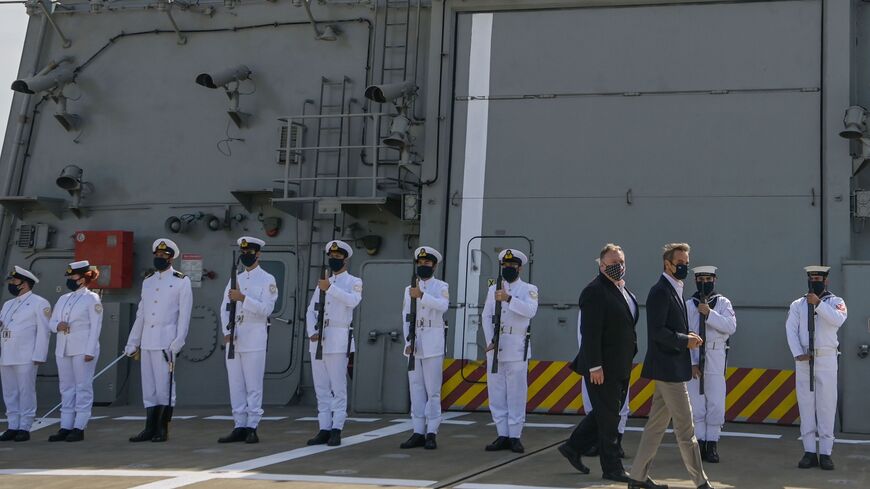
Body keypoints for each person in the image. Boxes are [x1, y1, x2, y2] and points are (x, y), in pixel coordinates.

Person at [629, 243, 713, 489]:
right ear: (667, 264)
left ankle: (636, 478)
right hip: (668, 370)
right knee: (686, 429)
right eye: (681, 262)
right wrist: (685, 340)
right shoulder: (660, 291)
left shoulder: (675, 288)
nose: (685, 266)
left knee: (655, 427)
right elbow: (657, 333)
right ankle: (701, 482)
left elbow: (669, 326)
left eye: (686, 262)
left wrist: (686, 334)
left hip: (672, 367)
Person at [560, 244, 638, 482]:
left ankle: (573, 447)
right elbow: (590, 332)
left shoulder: (622, 290)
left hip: (620, 366)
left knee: (606, 413)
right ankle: (612, 467)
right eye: (613, 263)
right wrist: (594, 366)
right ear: (602, 265)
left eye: (621, 262)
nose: (619, 267)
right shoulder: (594, 291)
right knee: (609, 420)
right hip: (602, 368)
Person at [124, 238, 193, 443]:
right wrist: (132, 342)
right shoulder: (148, 281)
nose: (159, 258)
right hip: (147, 341)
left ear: (171, 258)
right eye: (157, 255)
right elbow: (141, 315)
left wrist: (179, 340)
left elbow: (184, 314)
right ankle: (149, 428)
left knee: (165, 386)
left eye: (163, 256)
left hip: (166, 341)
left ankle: (162, 428)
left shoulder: (181, 281)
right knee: (149, 387)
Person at [217, 237, 278, 444]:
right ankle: (239, 425)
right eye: (243, 252)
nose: (245, 255)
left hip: (254, 335)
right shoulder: (236, 278)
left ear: (257, 254)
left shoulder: (267, 279)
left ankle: (252, 425)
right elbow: (224, 307)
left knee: (253, 384)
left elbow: (267, 310)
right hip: (235, 336)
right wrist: (227, 330)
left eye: (249, 252)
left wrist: (244, 299)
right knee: (236, 384)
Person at [786, 266, 847, 471]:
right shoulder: (798, 304)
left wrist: (819, 304)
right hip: (804, 358)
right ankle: (809, 451)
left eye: (818, 277)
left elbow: (838, 320)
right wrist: (797, 353)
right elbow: (791, 329)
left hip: (827, 357)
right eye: (812, 277)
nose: (815, 280)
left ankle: (826, 453)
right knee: (806, 405)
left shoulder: (836, 302)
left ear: (826, 280)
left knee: (826, 406)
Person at [305, 240, 362, 447]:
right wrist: (312, 331)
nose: (334, 260)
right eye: (332, 257)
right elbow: (311, 310)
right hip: (319, 340)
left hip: (338, 338)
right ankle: (324, 428)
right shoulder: (323, 281)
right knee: (321, 388)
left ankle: (337, 428)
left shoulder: (353, 281)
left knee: (338, 387)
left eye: (338, 258)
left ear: (345, 260)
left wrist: (330, 288)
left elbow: (353, 301)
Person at [482, 249, 538, 453]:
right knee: (496, 393)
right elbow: (486, 316)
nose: (508, 269)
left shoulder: (528, 289)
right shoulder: (492, 289)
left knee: (516, 393)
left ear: (519, 268)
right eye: (505, 266)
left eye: (512, 266)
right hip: (496, 347)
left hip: (516, 347)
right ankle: (502, 434)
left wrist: (508, 299)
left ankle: (515, 436)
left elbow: (531, 311)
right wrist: (490, 340)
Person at [399, 246, 450, 450]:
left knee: (433, 391)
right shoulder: (408, 289)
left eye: (427, 263)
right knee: (416, 390)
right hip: (415, 342)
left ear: (434, 265)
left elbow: (443, 306)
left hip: (433, 343)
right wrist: (408, 342)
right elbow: (406, 317)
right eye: (420, 263)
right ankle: (417, 431)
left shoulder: (441, 286)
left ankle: (432, 432)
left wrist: (421, 295)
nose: (423, 266)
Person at [47, 261, 103, 442]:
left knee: (82, 387)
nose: (70, 280)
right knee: (66, 388)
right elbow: (51, 323)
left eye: (73, 277)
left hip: (82, 348)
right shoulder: (63, 299)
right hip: (63, 348)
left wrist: (90, 350)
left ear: (83, 278)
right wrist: (57, 325)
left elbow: (96, 326)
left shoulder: (91, 298)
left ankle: (79, 426)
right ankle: (65, 425)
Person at [686, 266, 736, 463]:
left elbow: (730, 327)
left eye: (708, 278)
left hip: (715, 353)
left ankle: (712, 443)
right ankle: (699, 443)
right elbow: (685, 332)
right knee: (697, 404)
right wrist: (691, 362)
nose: (704, 282)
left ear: (714, 279)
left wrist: (709, 314)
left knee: (715, 402)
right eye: (700, 279)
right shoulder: (689, 304)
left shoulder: (722, 302)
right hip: (694, 353)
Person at [0, 266, 51, 442]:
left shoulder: (39, 303)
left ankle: (25, 426)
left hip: (26, 355)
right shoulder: (8, 304)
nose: (12, 284)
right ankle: (13, 425)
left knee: (25, 391)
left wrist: (40, 355)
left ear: (25, 283)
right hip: (7, 353)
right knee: (9, 392)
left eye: (14, 281)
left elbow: (44, 331)